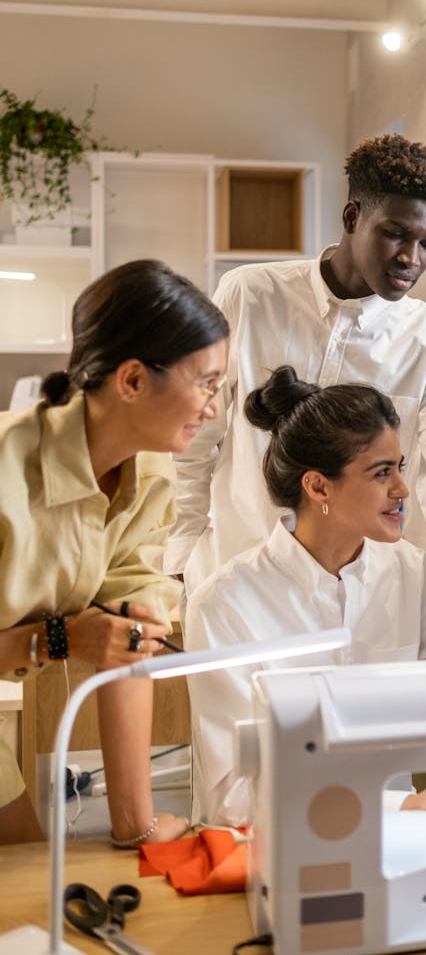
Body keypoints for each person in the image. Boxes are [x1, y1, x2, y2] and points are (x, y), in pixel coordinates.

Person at [166, 135, 426, 655]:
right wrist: (179, 564)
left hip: (367, 609)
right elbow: (193, 441)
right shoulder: (250, 296)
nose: (410, 258)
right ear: (352, 216)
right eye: (395, 234)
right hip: (239, 593)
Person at [184, 366, 426, 827]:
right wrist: (400, 806)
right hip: (269, 860)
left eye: (399, 467)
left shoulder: (412, 573)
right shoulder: (225, 605)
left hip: (398, 844)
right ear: (317, 486)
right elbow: (232, 799)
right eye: (381, 473)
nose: (402, 489)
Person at [0, 259, 229, 846]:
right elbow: (81, 638)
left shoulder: (148, 473)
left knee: (28, 869)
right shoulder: (7, 470)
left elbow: (129, 642)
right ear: (131, 381)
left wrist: (137, 826)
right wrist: (61, 638)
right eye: (204, 383)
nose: (212, 408)